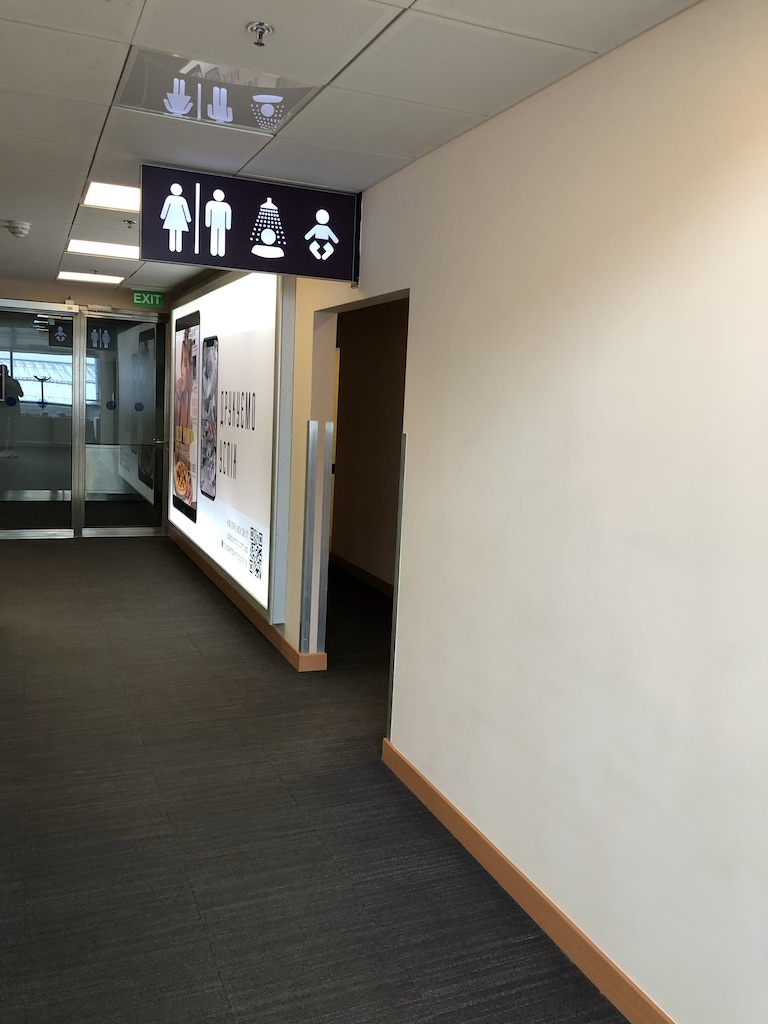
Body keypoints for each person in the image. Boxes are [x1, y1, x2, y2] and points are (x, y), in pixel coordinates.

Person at [0, 364, 24, 458]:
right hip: (12, 406)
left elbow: (21, 394)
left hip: (5, 407)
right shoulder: (14, 382)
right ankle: (9, 449)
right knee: (10, 428)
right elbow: (21, 394)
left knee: (4, 428)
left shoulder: (10, 382)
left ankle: (4, 449)